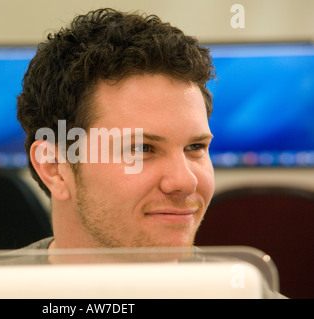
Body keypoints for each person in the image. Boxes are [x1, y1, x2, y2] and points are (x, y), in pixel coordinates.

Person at [16, 8, 216, 250]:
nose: (186, 181)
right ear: (55, 168)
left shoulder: (248, 288)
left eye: (195, 147)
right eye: (143, 148)